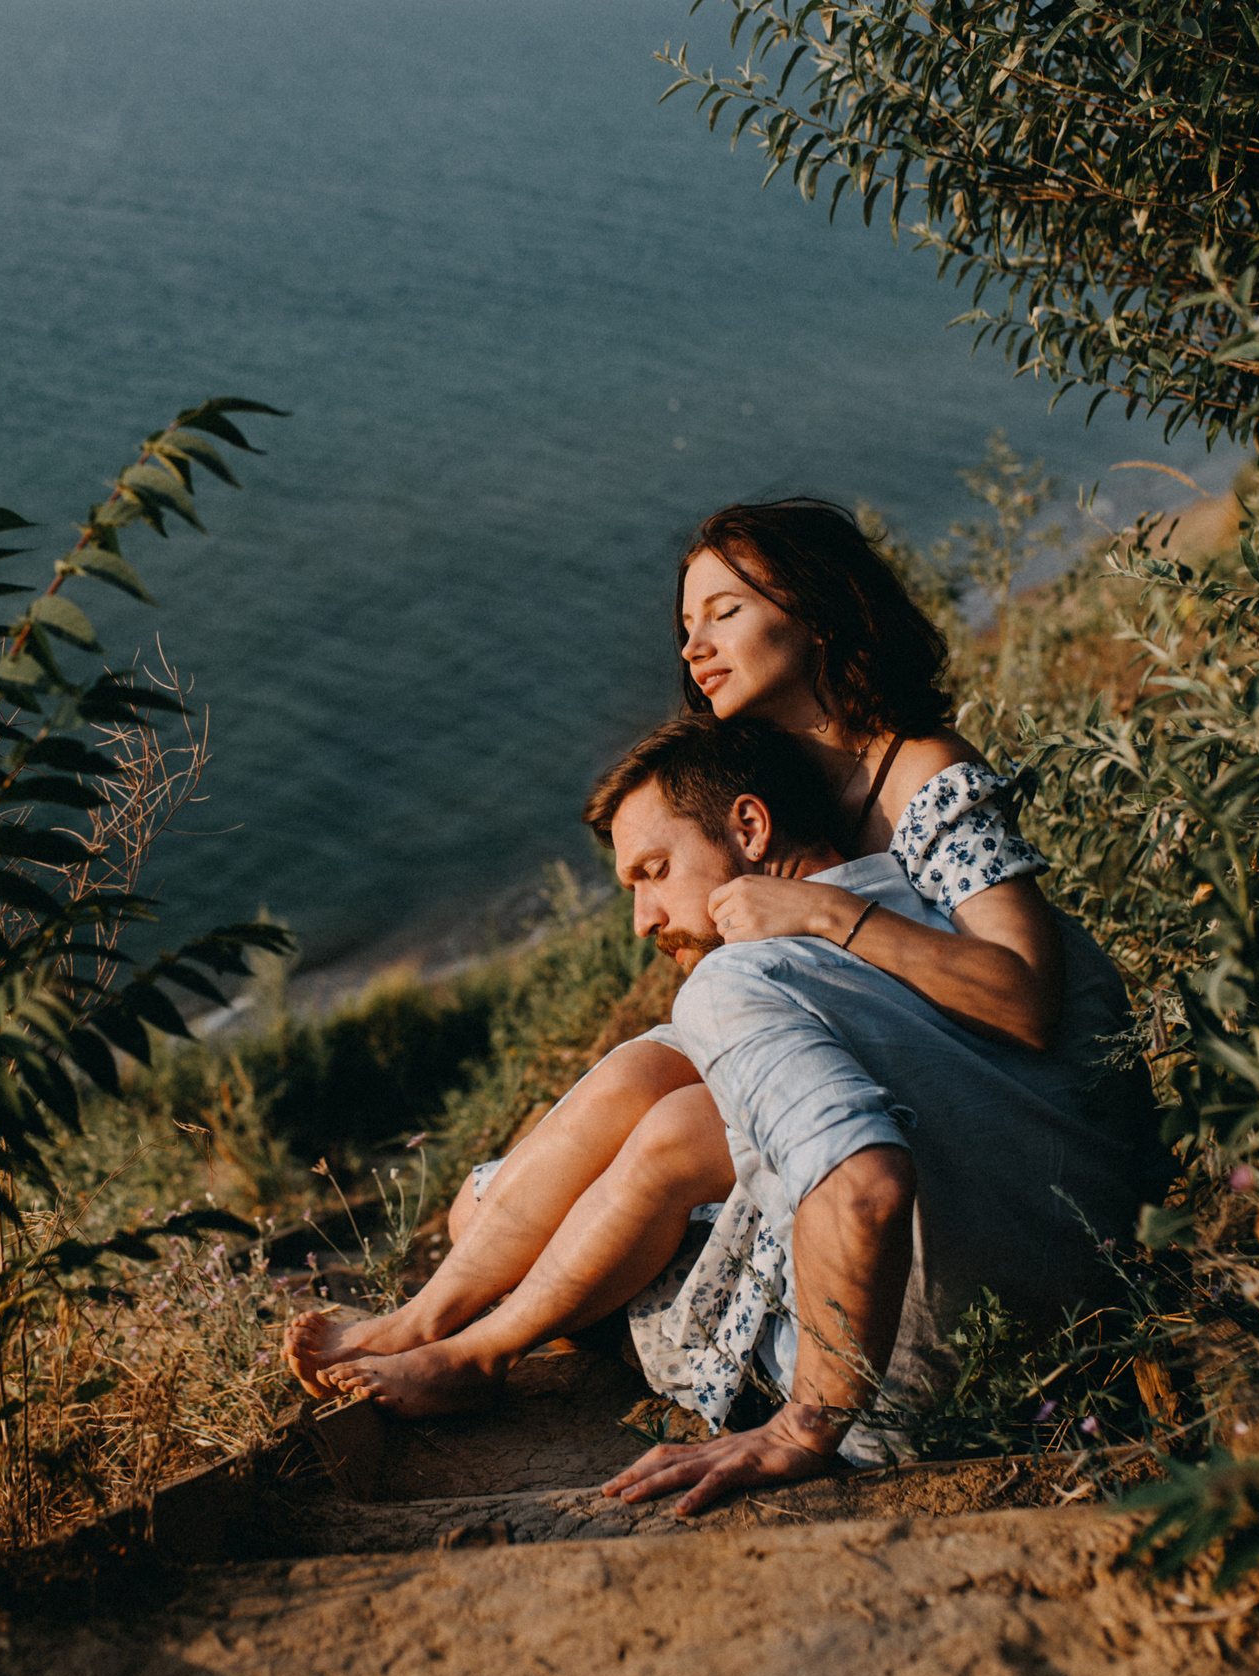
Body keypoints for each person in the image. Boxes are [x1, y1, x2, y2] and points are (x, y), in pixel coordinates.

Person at [287, 500, 1160, 1511]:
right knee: (614, 1101)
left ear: (818, 609)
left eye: (725, 610)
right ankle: (434, 1313)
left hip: (989, 1114)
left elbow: (1022, 999)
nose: (694, 646)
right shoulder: (784, 794)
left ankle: (482, 1338)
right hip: (906, 1073)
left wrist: (820, 913)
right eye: (685, 626)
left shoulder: (922, 771)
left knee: (654, 1128)